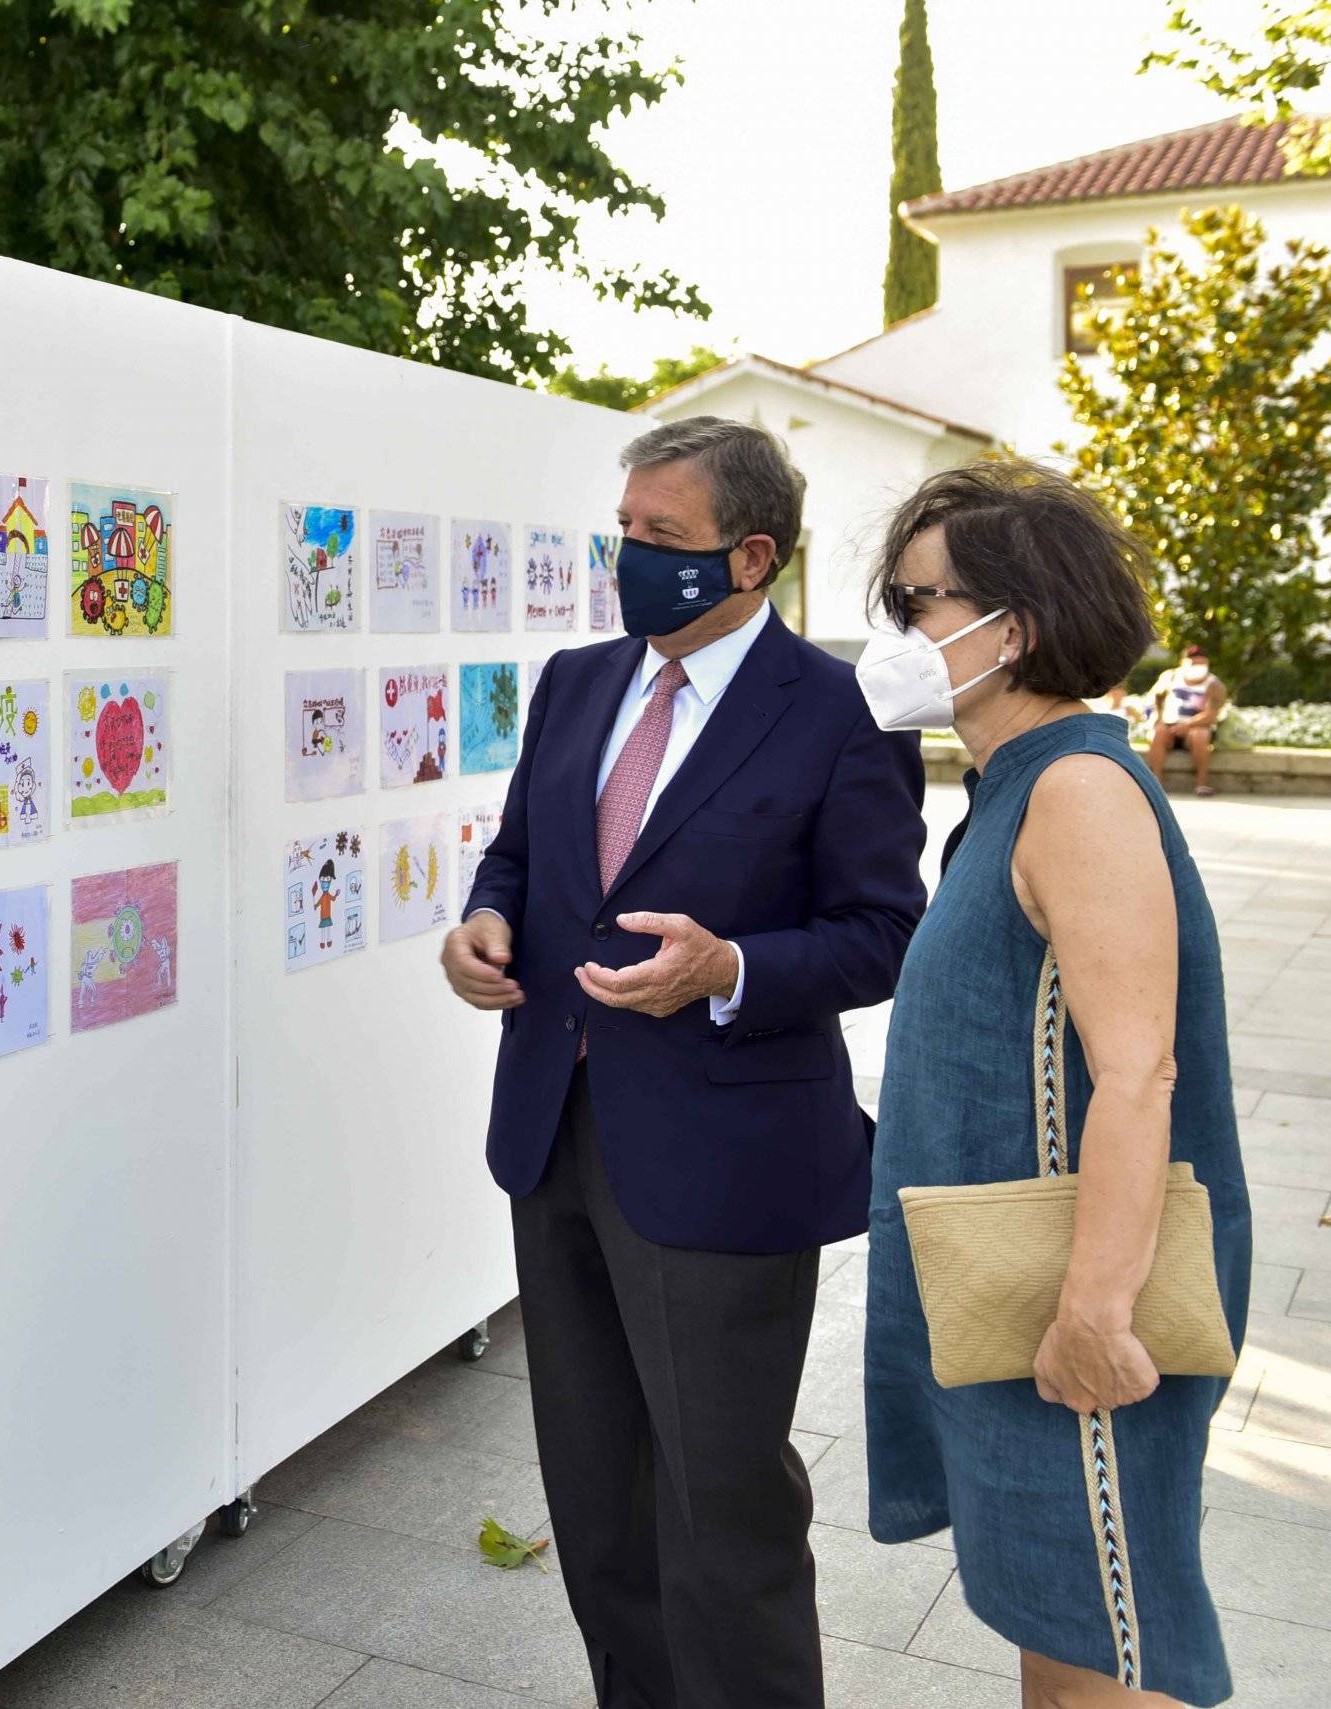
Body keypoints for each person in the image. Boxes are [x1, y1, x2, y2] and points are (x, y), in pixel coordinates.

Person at [445, 417, 927, 1708]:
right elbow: (522, 859)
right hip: (554, 1128)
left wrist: (731, 970)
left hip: (728, 1159)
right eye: (626, 529)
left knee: (724, 1509)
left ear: (751, 555)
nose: (629, 557)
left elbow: (885, 932)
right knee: (596, 1497)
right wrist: (484, 923)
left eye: (662, 537)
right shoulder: (577, 679)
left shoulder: (837, 713)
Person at [857, 462, 1250, 1707]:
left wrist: (1096, 1312)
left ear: (1007, 627)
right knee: (1057, 1617)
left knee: (1103, 1644)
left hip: (1075, 1301)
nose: (898, 634)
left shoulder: (1076, 790)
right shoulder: (1016, 786)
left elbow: (1137, 1074)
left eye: (915, 604)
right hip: (1013, 1292)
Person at [1141, 646, 1230, 797]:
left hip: (1195, 728)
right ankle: (1156, 780)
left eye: (1202, 664)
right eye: (1193, 663)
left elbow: (1211, 714)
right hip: (1169, 725)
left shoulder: (1214, 685)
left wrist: (1187, 725)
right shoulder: (1169, 677)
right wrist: (1158, 719)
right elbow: (1155, 699)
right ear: (1183, 663)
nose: (1198, 667)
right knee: (1158, 732)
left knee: (1200, 734)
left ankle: (1202, 783)